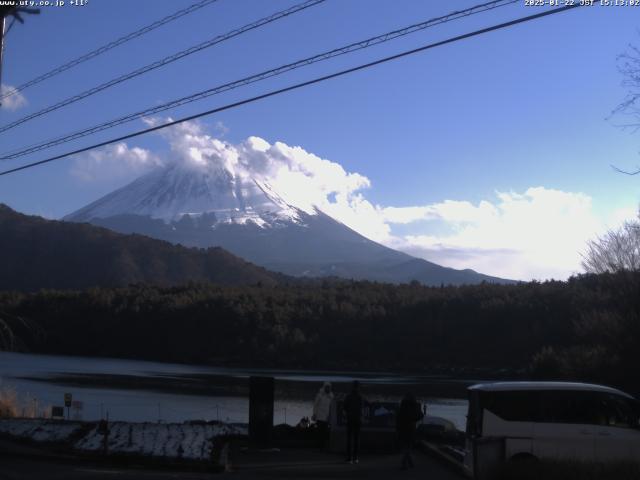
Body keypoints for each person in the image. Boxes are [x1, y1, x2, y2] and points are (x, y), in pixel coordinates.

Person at [396, 393, 424, 470]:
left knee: (405, 445)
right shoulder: (414, 406)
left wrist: (397, 428)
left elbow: (398, 417)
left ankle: (409, 462)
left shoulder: (402, 406)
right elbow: (419, 416)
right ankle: (405, 462)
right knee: (409, 445)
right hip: (410, 428)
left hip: (402, 428)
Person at [343, 380, 364, 464]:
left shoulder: (348, 396)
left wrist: (348, 412)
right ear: (358, 387)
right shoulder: (360, 397)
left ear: (352, 387)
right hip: (358, 419)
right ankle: (355, 458)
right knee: (356, 439)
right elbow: (362, 407)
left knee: (349, 439)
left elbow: (344, 407)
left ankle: (349, 458)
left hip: (350, 419)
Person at [312, 381, 334, 449]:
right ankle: (319, 446)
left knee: (324, 432)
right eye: (327, 387)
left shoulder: (331, 396)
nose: (328, 388)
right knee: (319, 431)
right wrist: (314, 414)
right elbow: (315, 405)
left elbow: (332, 407)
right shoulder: (319, 395)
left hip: (326, 417)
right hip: (319, 416)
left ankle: (323, 446)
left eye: (329, 387)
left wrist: (330, 416)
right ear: (324, 387)